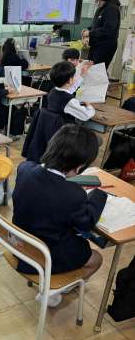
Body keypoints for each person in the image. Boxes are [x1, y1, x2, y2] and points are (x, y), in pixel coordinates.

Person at [13, 124, 107, 307]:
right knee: (96, 258)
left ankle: (56, 286)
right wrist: (99, 194)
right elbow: (87, 222)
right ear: (79, 167)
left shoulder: (24, 169)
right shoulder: (73, 195)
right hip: (46, 255)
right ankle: (56, 289)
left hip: (20, 246)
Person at [22, 61, 95, 162]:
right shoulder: (69, 101)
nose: (75, 78)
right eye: (74, 76)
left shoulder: (53, 91)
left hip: (52, 133)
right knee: (94, 140)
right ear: (70, 80)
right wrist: (89, 105)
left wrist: (81, 76)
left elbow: (69, 90)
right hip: (65, 135)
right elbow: (86, 115)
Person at [87, 0, 121, 69]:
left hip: (104, 46)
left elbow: (108, 30)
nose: (95, 0)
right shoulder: (101, 8)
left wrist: (90, 33)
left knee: (97, 72)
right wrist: (88, 32)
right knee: (90, 69)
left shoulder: (112, 9)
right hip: (96, 45)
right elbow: (96, 25)